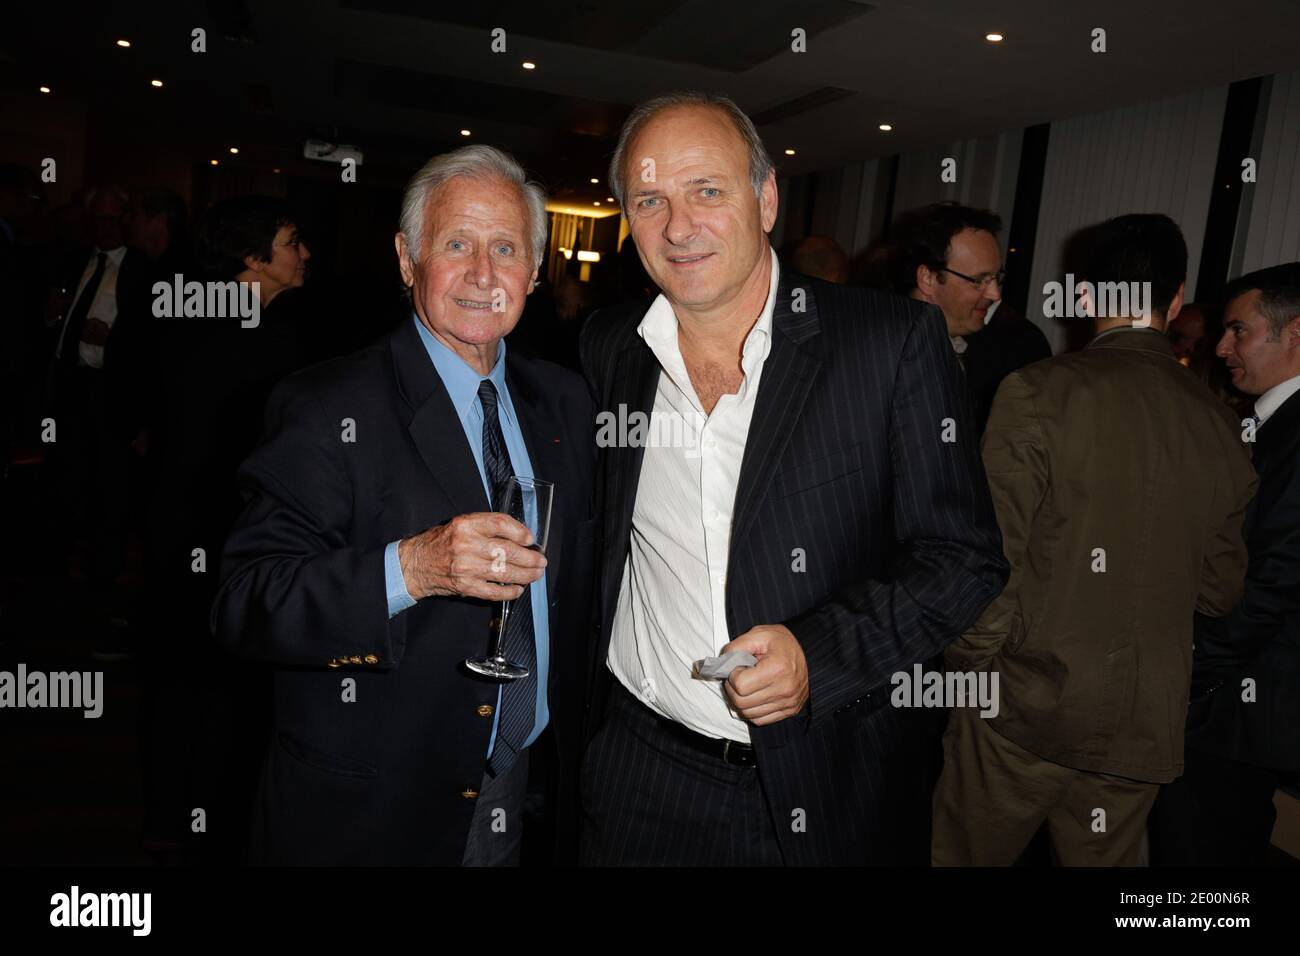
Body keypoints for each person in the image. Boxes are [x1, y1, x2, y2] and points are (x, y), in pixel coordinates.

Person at [578, 91, 1008, 866]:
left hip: (821, 780)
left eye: (707, 190)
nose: (678, 226)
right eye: (650, 200)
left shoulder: (888, 344)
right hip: (637, 769)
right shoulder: (612, 348)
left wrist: (821, 655)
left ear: (766, 197)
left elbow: (962, 558)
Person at [211, 145, 595, 865]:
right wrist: (413, 569)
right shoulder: (327, 405)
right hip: (368, 808)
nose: (483, 273)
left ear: (535, 272)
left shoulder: (566, 402)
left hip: (514, 786)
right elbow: (245, 602)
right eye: (457, 244)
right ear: (406, 258)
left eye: (506, 248)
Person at [931, 214, 1256, 866]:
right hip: (1143, 719)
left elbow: (990, 562)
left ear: (1084, 297)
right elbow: (1220, 591)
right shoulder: (1220, 424)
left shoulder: (1037, 393)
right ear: (1175, 298)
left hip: (1024, 705)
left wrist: (968, 676)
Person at [1151, 262, 1300, 865]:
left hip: (1243, 704)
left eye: (1239, 331)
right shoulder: (1271, 422)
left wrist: (1189, 668)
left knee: (1198, 853)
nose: (1220, 346)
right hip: (1242, 699)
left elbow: (1275, 578)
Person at [890, 202, 1051, 435]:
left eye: (997, 278)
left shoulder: (984, 352)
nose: (995, 294)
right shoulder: (887, 356)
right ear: (928, 279)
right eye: (979, 280)